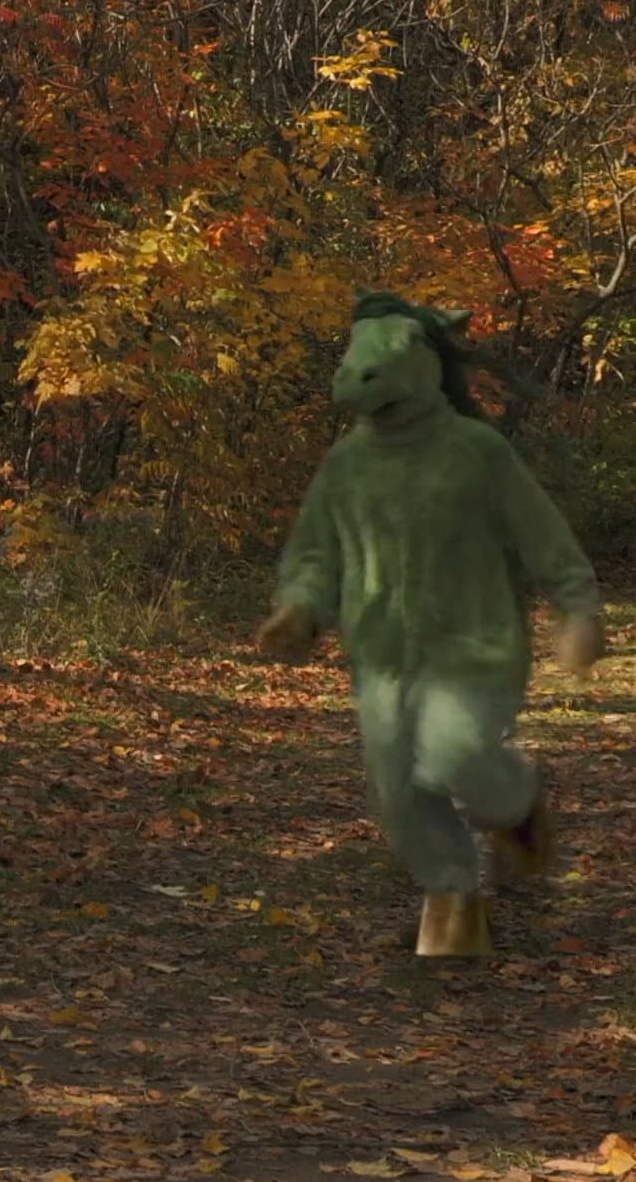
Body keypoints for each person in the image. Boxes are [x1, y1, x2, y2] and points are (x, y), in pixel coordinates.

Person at [255, 292, 603, 959]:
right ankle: (450, 897)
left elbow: (544, 539)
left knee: (453, 752)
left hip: (475, 649)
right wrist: (300, 607)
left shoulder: (477, 453)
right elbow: (317, 553)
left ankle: (516, 802)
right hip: (382, 657)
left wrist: (577, 608)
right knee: (396, 789)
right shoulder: (347, 467)